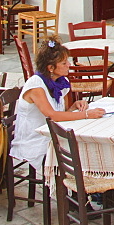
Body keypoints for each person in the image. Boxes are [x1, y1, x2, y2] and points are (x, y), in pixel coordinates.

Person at [10, 37, 105, 173]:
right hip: (35, 140)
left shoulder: (60, 81)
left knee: (88, 145)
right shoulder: (36, 86)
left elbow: (62, 111)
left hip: (53, 133)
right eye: (64, 63)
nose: (69, 65)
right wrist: (86, 114)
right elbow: (52, 115)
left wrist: (74, 107)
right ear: (50, 68)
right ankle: (77, 185)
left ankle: (92, 185)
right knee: (79, 150)